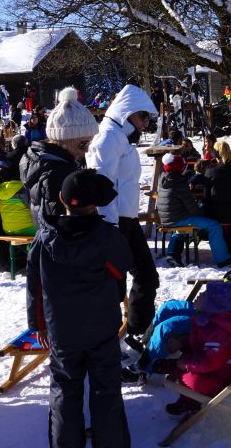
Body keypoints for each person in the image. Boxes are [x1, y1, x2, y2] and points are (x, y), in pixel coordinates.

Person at [26, 169, 132, 448]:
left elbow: (34, 285)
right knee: (106, 391)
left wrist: (38, 325)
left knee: (65, 390)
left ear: (61, 199)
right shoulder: (107, 237)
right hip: (101, 327)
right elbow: (120, 273)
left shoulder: (45, 239)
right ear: (95, 204)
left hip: (62, 330)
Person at [85, 83, 161, 341]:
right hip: (113, 224)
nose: (144, 123)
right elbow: (102, 186)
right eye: (142, 116)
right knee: (113, 287)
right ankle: (107, 342)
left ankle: (138, 332)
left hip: (127, 220)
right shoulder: (107, 138)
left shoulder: (121, 138)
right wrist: (111, 228)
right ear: (127, 112)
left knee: (147, 276)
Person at [147, 281, 231, 416]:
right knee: (187, 365)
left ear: (212, 305)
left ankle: (189, 399)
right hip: (215, 365)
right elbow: (198, 342)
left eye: (205, 294)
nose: (200, 294)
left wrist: (185, 364)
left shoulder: (218, 332)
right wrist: (182, 344)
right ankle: (186, 395)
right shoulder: (207, 320)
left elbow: (211, 362)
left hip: (224, 374)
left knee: (193, 381)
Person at [21, 87, 99, 224]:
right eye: (83, 144)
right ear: (62, 140)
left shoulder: (43, 161)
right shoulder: (58, 174)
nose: (87, 150)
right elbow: (65, 227)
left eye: (90, 143)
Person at [158, 153, 231, 266]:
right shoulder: (179, 183)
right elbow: (192, 208)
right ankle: (223, 259)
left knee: (183, 228)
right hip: (178, 218)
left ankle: (173, 254)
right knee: (214, 225)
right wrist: (203, 213)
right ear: (180, 168)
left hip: (167, 218)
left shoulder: (164, 178)